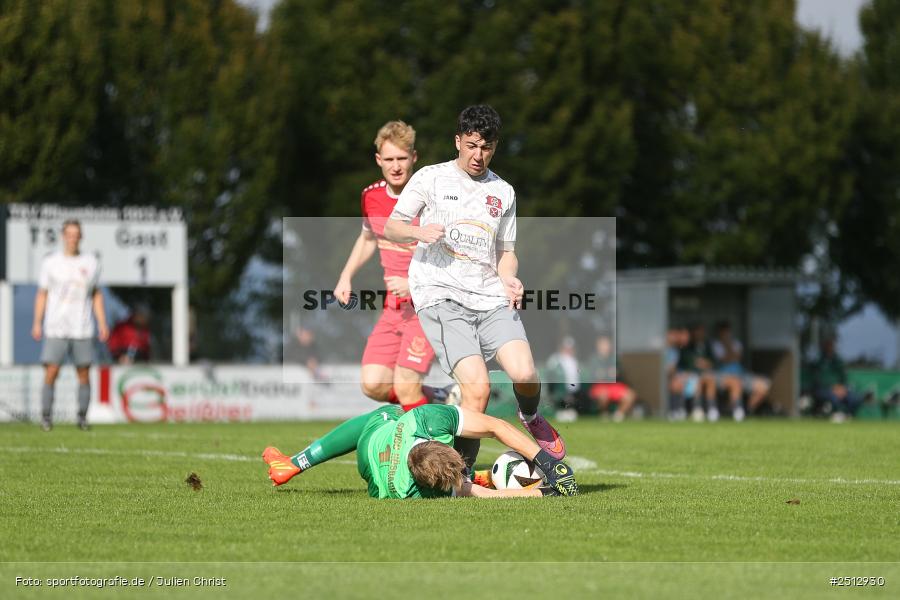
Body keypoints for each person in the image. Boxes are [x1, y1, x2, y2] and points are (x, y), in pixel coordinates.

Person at [384, 104, 566, 470]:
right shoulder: (430, 179)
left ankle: (530, 416)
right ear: (458, 141)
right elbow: (392, 226)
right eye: (471, 145)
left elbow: (506, 252)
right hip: (440, 295)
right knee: (478, 388)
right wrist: (419, 231)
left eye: (486, 147)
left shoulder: (504, 191)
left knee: (526, 374)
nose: (477, 155)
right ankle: (460, 475)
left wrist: (510, 277)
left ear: (495, 146)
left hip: (489, 296)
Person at [333, 121, 445, 410]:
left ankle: (427, 450)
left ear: (414, 158)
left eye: (402, 158)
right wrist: (345, 277)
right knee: (373, 384)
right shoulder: (370, 196)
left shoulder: (433, 199)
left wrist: (414, 284)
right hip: (393, 308)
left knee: (406, 387)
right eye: (390, 159)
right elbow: (367, 238)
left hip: (426, 306)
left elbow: (452, 255)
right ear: (378, 160)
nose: (396, 166)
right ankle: (441, 400)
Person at [262, 403, 578, 498]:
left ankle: (293, 463)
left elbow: (496, 428)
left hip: (373, 451)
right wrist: (546, 489)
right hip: (370, 471)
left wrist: (545, 463)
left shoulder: (420, 418)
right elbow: (496, 427)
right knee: (388, 408)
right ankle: (293, 463)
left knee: (389, 412)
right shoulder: (415, 491)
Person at [31, 219, 109, 431]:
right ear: (63, 236)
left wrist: (102, 322)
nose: (73, 238)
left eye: (76, 234)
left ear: (81, 237)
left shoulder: (91, 262)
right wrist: (37, 323)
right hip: (56, 327)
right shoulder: (51, 262)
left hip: (82, 327)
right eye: (69, 234)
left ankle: (82, 417)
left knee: (83, 373)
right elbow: (42, 294)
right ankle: (46, 418)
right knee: (51, 371)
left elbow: (96, 295)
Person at [710, 321, 770, 421]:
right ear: (719, 333)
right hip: (722, 375)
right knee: (735, 383)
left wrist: (729, 347)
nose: (726, 335)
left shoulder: (736, 343)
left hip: (740, 374)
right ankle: (735, 411)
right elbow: (724, 359)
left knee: (763, 386)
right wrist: (727, 347)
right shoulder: (715, 345)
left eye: (727, 332)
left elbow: (737, 357)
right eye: (723, 333)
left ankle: (746, 411)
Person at [584, 334, 636, 422]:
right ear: (598, 346)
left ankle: (618, 416)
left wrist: (609, 374)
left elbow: (617, 373)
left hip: (613, 386)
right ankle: (604, 414)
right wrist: (607, 374)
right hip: (599, 386)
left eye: (607, 345)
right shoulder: (593, 359)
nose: (605, 347)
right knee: (603, 394)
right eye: (603, 345)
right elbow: (595, 376)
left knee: (630, 395)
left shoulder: (613, 359)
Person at [810, 337, 860, 423]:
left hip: (839, 389)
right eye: (828, 346)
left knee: (854, 398)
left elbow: (843, 378)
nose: (830, 348)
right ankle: (837, 414)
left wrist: (842, 388)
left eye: (832, 346)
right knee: (833, 397)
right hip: (824, 389)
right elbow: (818, 379)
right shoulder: (818, 361)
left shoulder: (837, 360)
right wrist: (833, 388)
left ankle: (848, 415)